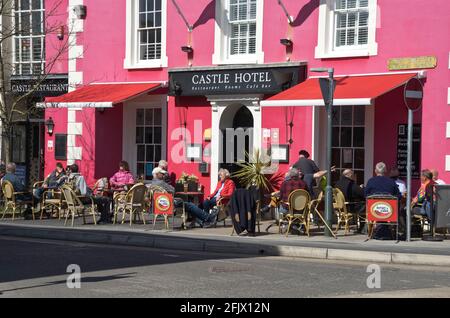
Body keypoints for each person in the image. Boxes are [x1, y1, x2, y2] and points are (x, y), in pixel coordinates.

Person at [365, 162, 401, 240]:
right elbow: (399, 196)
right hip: (389, 212)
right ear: (385, 171)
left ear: (375, 171)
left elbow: (366, 195)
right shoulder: (391, 181)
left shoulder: (371, 181)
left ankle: (371, 232)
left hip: (373, 211)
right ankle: (395, 231)